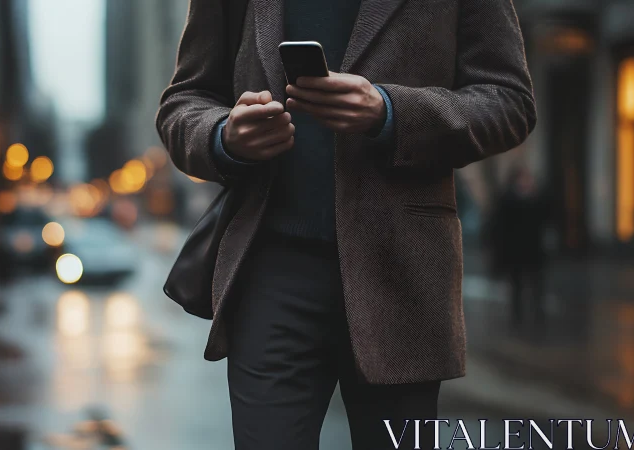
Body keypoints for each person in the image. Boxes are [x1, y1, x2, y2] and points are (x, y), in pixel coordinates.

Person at [156, 0, 537, 448]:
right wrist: (224, 135)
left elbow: (509, 100)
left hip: (403, 278)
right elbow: (184, 101)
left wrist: (390, 112)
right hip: (270, 273)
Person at [490, 165, 548, 330]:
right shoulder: (508, 200)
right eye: (523, 179)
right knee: (517, 285)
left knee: (537, 284)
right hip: (515, 250)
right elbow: (500, 227)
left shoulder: (537, 198)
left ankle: (537, 314)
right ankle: (517, 316)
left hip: (534, 250)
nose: (527, 182)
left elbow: (546, 217)